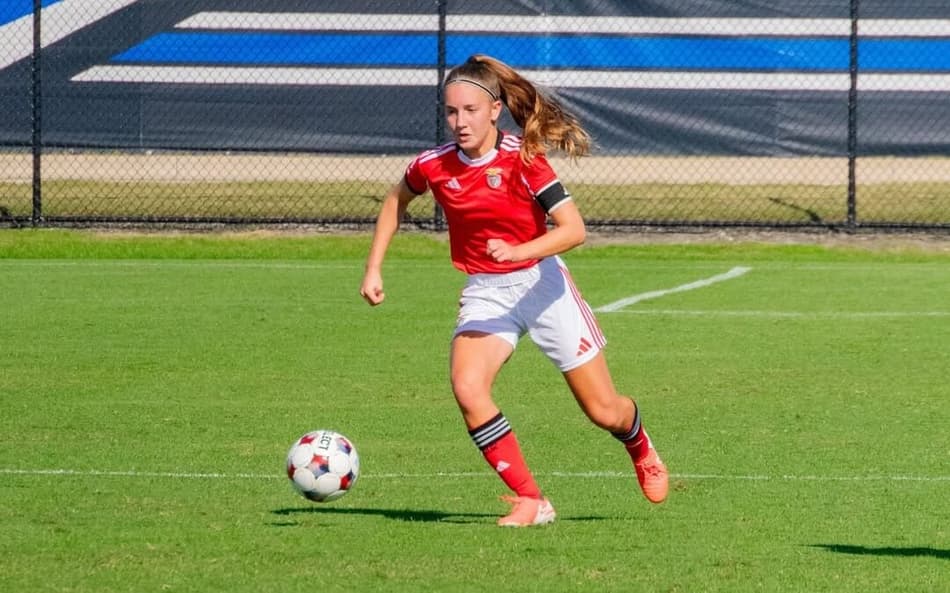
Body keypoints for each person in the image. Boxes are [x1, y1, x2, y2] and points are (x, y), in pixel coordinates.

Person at [360, 54, 668, 527]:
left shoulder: (523, 160)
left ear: (495, 110)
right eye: (451, 112)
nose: (459, 122)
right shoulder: (433, 165)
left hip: (542, 286)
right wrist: (374, 268)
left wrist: (519, 250)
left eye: (470, 110)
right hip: (487, 290)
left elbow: (574, 230)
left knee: (604, 411)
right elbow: (394, 201)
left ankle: (640, 445)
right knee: (468, 388)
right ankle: (531, 499)